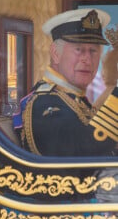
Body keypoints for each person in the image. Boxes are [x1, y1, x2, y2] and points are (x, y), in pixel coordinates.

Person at [13, 8, 117, 157]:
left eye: (93, 51)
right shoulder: (44, 102)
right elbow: (82, 154)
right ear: (56, 54)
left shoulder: (73, 98)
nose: (87, 59)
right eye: (79, 49)